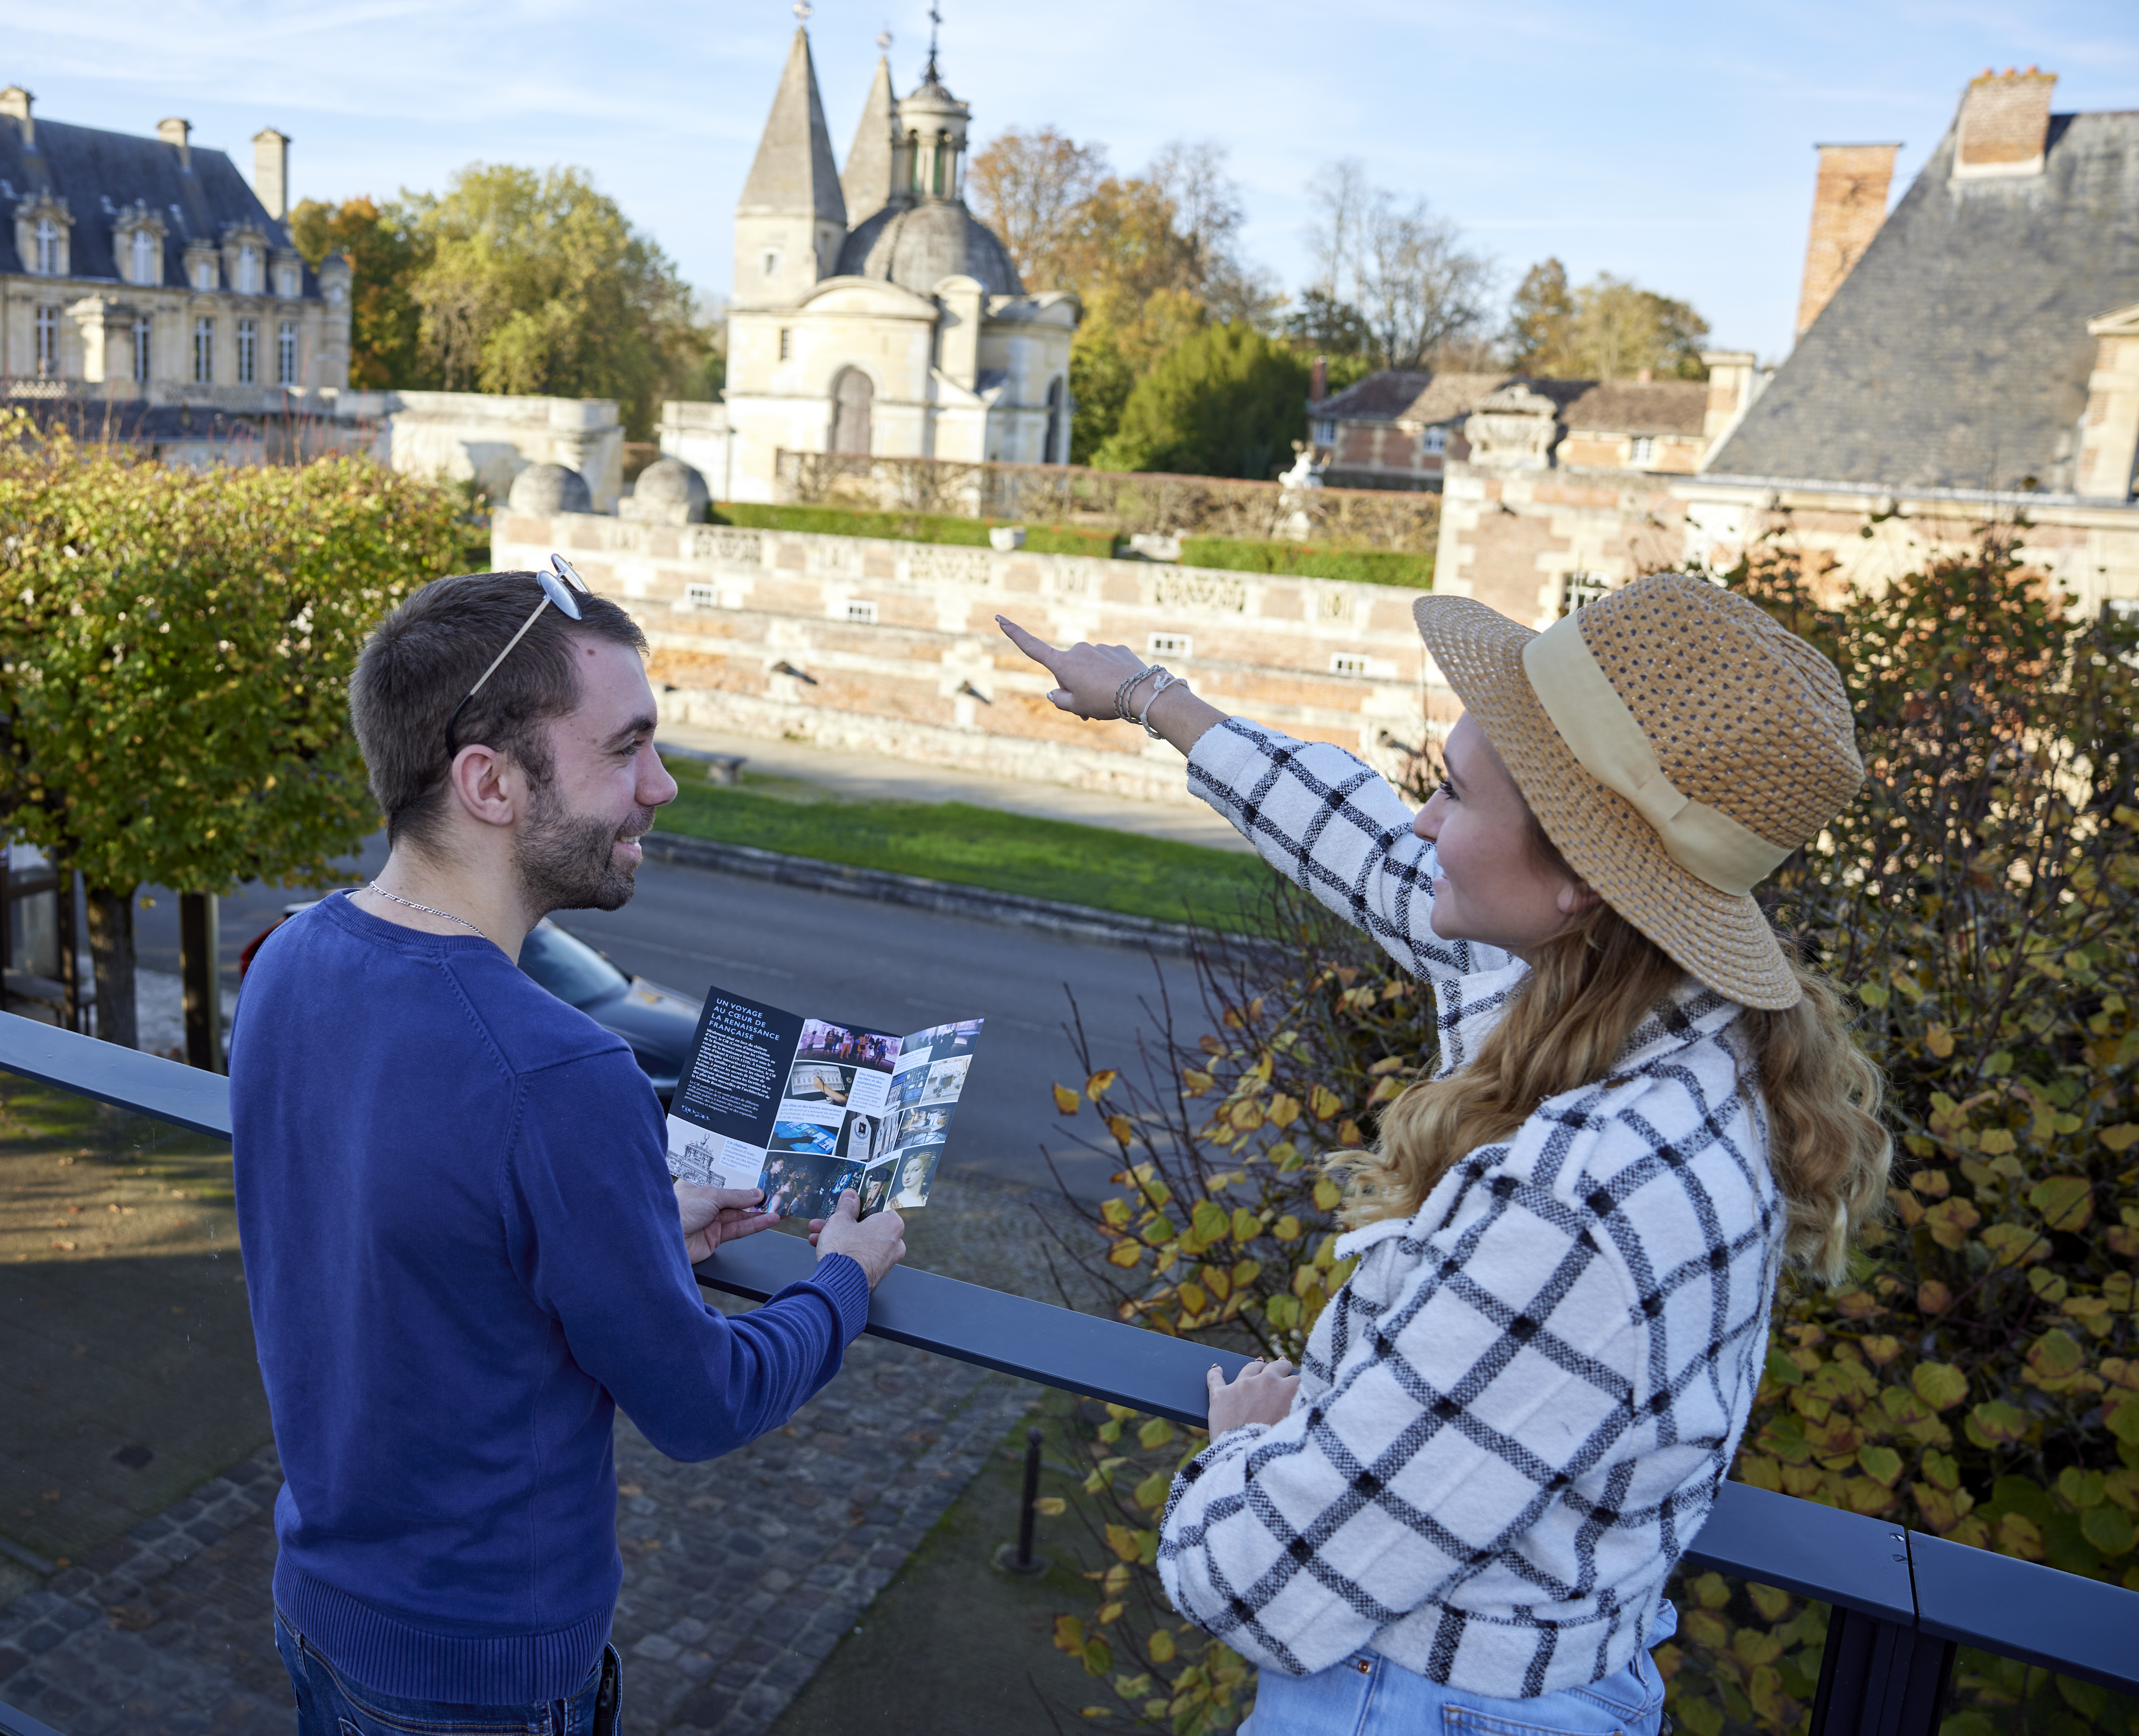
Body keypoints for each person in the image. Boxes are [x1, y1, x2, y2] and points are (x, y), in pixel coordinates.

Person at [1001, 574, 1890, 1736]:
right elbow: (1369, 845)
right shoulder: (1615, 1000)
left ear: (1577, 873)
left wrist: (1245, 1452)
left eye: (1452, 791)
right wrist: (1148, 697)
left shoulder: (1584, 1198)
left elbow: (1258, 1577)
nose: (1422, 818)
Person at [231, 561, 906, 1736]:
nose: (663, 784)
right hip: (478, 1681)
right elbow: (701, 1402)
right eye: (623, 748)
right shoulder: (560, 1070)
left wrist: (637, 1223)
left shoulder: (291, 958)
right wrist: (842, 1278)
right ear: (488, 781)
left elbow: (423, 1234)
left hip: (321, 1617)